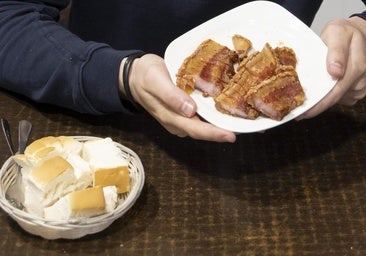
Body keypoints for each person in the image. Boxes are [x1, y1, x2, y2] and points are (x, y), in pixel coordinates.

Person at [0, 0, 365, 143]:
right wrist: (119, 74)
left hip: (298, 142)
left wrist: (362, 31)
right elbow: (8, 16)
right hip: (104, 132)